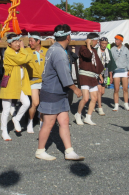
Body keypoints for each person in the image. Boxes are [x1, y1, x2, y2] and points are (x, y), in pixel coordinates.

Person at [35, 24, 84, 161]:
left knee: (64, 121)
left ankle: (69, 151)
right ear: (68, 36)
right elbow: (65, 76)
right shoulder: (59, 52)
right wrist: (76, 89)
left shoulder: (54, 48)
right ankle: (40, 150)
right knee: (49, 123)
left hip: (58, 91)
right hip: (52, 92)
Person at [0, 34, 32, 141]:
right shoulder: (9, 52)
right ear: (9, 44)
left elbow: (29, 57)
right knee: (6, 108)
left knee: (27, 103)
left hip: (21, 83)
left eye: (18, 41)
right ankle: (4, 130)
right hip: (10, 82)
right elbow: (23, 60)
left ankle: (17, 119)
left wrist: (23, 52)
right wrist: (23, 49)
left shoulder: (18, 52)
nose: (18, 43)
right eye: (14, 42)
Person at [74, 33, 104, 126]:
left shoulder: (94, 50)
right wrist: (88, 44)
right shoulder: (83, 48)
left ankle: (88, 117)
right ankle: (78, 114)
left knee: (94, 98)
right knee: (86, 98)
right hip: (84, 75)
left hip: (93, 76)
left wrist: (99, 74)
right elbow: (87, 56)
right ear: (91, 40)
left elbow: (97, 63)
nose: (97, 43)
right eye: (96, 41)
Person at [24, 32, 48, 133]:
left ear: (38, 41)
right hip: (33, 79)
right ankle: (30, 122)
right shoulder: (27, 51)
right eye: (29, 41)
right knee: (35, 102)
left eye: (32, 41)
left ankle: (42, 123)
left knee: (44, 103)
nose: (30, 43)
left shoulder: (46, 51)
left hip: (44, 80)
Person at [111, 34, 129, 111]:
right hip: (116, 71)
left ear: (121, 41)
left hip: (124, 70)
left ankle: (126, 104)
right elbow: (110, 61)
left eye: (117, 40)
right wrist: (110, 73)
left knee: (125, 89)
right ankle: (116, 105)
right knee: (116, 89)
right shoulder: (112, 49)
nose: (116, 41)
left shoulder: (126, 49)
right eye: (115, 40)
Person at [95, 37, 115, 116]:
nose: (104, 45)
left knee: (102, 91)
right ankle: (100, 108)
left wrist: (111, 76)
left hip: (105, 71)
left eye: (105, 44)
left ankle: (94, 101)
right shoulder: (96, 50)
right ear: (99, 43)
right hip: (97, 71)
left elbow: (110, 64)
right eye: (102, 43)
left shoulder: (108, 52)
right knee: (99, 91)